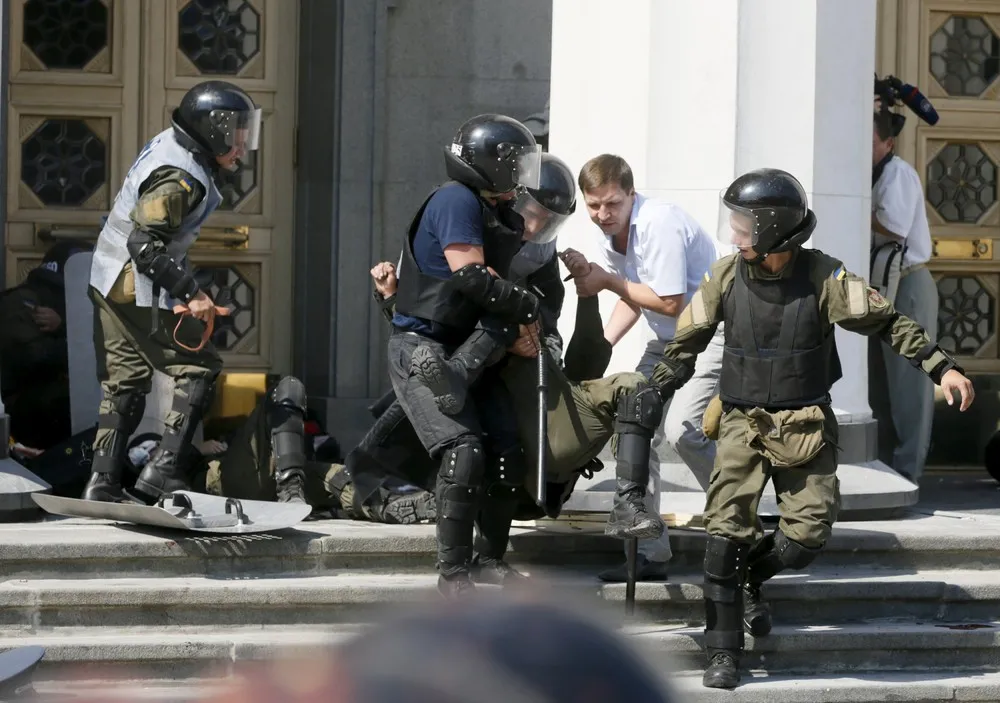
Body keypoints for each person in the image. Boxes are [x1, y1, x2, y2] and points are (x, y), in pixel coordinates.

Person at [634, 167, 974, 689]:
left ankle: (754, 574)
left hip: (805, 425)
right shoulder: (725, 276)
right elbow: (686, 344)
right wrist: (656, 390)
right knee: (725, 534)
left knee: (806, 537)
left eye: (743, 226)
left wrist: (941, 365)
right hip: (742, 421)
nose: (734, 235)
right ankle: (723, 653)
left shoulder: (824, 277)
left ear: (772, 229)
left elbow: (886, 321)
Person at [352, 260, 648, 532]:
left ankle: (630, 504)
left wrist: (587, 294)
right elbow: (422, 353)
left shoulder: (543, 356)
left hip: (538, 481)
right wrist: (393, 298)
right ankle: (358, 494)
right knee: (362, 466)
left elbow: (587, 363)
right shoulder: (476, 357)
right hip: (495, 474)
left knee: (628, 385)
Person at [82, 80, 264, 504]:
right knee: (199, 367)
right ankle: (163, 470)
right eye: (236, 140)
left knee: (124, 382)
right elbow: (144, 246)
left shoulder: (174, 147)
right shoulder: (180, 177)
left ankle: (103, 481)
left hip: (105, 277)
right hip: (132, 280)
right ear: (213, 130)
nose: (241, 151)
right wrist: (192, 294)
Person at [387, 113, 546, 598]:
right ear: (490, 165)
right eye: (514, 165)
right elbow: (472, 278)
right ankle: (453, 577)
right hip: (426, 351)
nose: (520, 176)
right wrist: (526, 308)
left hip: (473, 349)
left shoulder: (495, 210)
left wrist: (520, 324)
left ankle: (490, 560)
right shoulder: (455, 199)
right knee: (464, 452)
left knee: (506, 452)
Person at [559, 154, 722, 583]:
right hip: (668, 339)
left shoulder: (658, 223)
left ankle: (737, 522)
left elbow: (667, 300)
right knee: (633, 425)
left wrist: (605, 281)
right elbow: (634, 297)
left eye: (612, 203)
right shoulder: (608, 235)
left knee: (684, 430)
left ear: (631, 194)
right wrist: (604, 345)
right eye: (593, 206)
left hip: (712, 332)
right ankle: (649, 551)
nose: (602, 214)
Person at [403, 152, 578, 415]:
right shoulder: (470, 217)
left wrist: (536, 345)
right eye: (530, 213)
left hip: (506, 344)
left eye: (545, 220)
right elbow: (428, 286)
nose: (533, 226)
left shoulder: (542, 253)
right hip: (446, 329)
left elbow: (547, 309)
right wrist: (388, 294)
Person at [870, 107, 938, 482]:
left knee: (911, 383)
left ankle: (908, 469)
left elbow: (894, 228)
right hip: (882, 284)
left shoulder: (898, 174)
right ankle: (883, 466)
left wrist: (851, 205)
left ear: (888, 143)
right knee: (879, 382)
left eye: (870, 142)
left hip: (908, 284)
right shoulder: (874, 173)